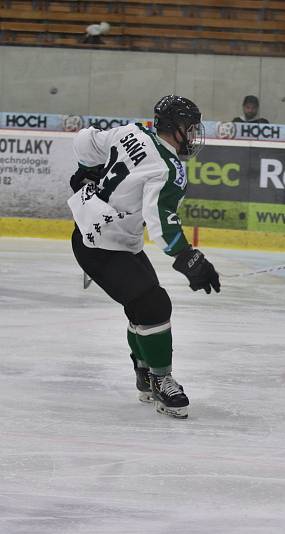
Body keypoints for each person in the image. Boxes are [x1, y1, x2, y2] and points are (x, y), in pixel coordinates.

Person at [67, 95, 221, 420]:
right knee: (154, 305)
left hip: (104, 236)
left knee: (141, 305)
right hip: (102, 245)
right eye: (190, 129)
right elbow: (161, 220)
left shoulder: (132, 132)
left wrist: (86, 171)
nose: (193, 136)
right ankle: (161, 379)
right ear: (176, 129)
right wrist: (188, 258)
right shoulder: (168, 168)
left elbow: (85, 140)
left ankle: (145, 372)